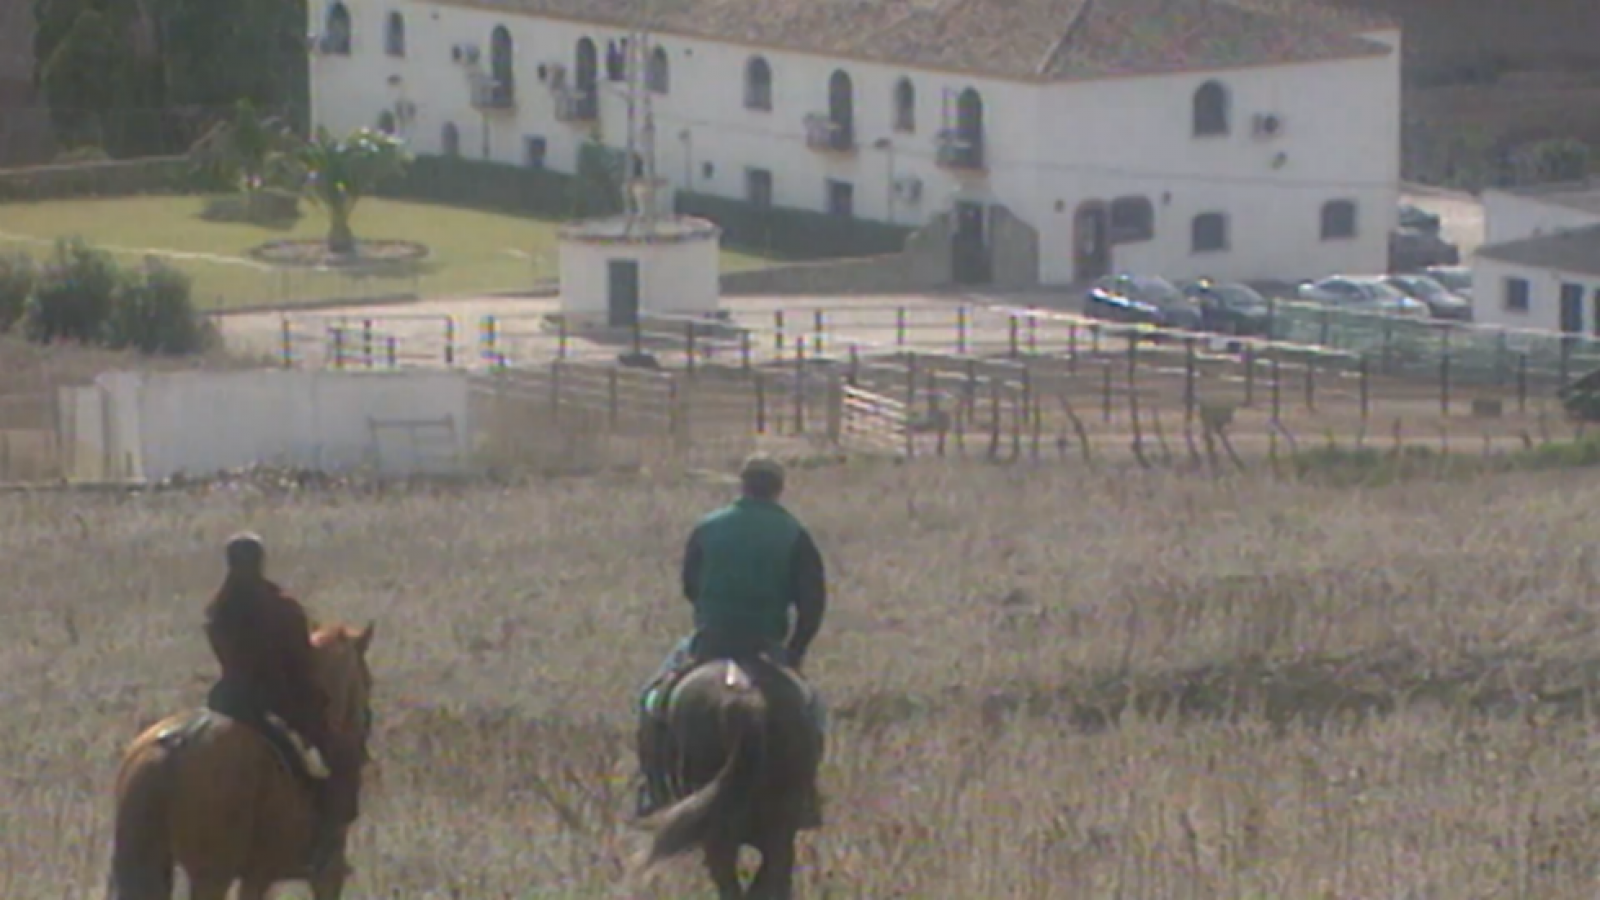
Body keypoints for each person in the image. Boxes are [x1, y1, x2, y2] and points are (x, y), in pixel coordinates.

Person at [635, 454, 829, 819]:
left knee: (651, 700)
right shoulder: (795, 533)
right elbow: (812, 604)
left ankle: (653, 789)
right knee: (813, 710)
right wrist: (795, 651)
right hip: (766, 645)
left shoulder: (708, 527)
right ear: (779, 489)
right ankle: (806, 794)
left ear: (742, 485)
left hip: (712, 640)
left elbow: (690, 585)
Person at [203, 533, 360, 873]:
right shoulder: (283, 608)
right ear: (261, 562)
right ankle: (325, 848)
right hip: (275, 703)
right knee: (339, 759)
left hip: (226, 700)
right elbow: (301, 666)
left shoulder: (218, 609)